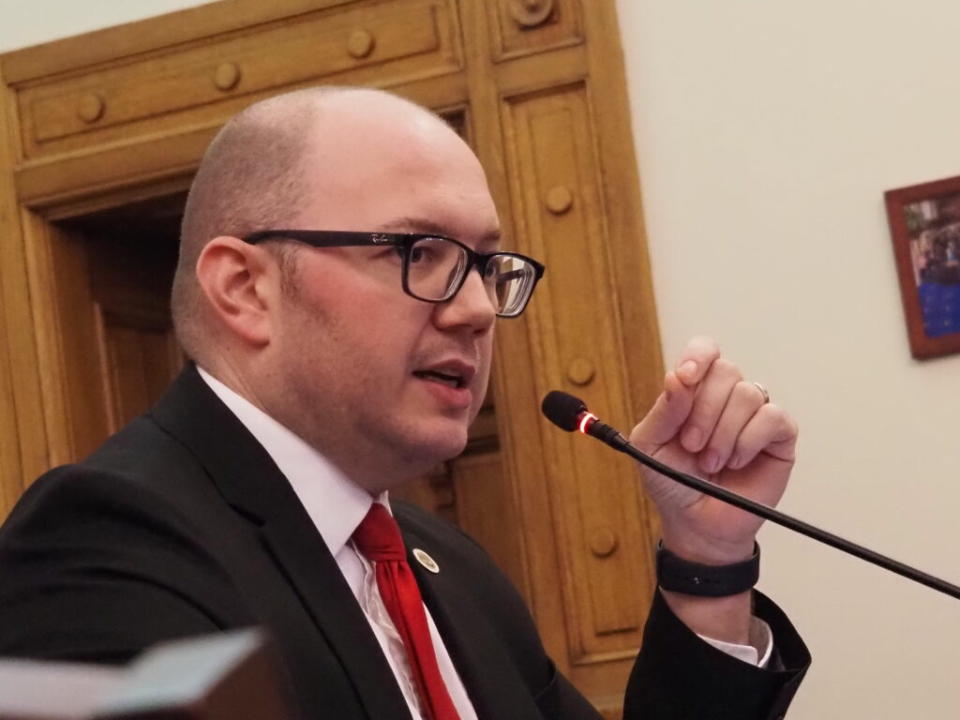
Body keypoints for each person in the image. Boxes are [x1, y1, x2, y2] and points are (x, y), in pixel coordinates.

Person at [0, 87, 809, 719]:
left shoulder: (448, 568)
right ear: (245, 289)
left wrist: (707, 560)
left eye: (489, 266)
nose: (477, 310)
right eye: (421, 252)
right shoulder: (100, 543)